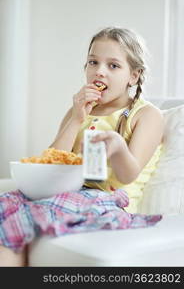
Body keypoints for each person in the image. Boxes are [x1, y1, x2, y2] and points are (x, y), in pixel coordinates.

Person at [0, 27, 163, 266]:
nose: (99, 72)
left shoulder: (146, 115)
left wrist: (118, 146)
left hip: (109, 200)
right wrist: (76, 119)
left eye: (113, 66)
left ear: (134, 76)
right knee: (7, 205)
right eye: (93, 62)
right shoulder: (78, 111)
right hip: (68, 193)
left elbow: (129, 175)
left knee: (23, 218)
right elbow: (50, 162)